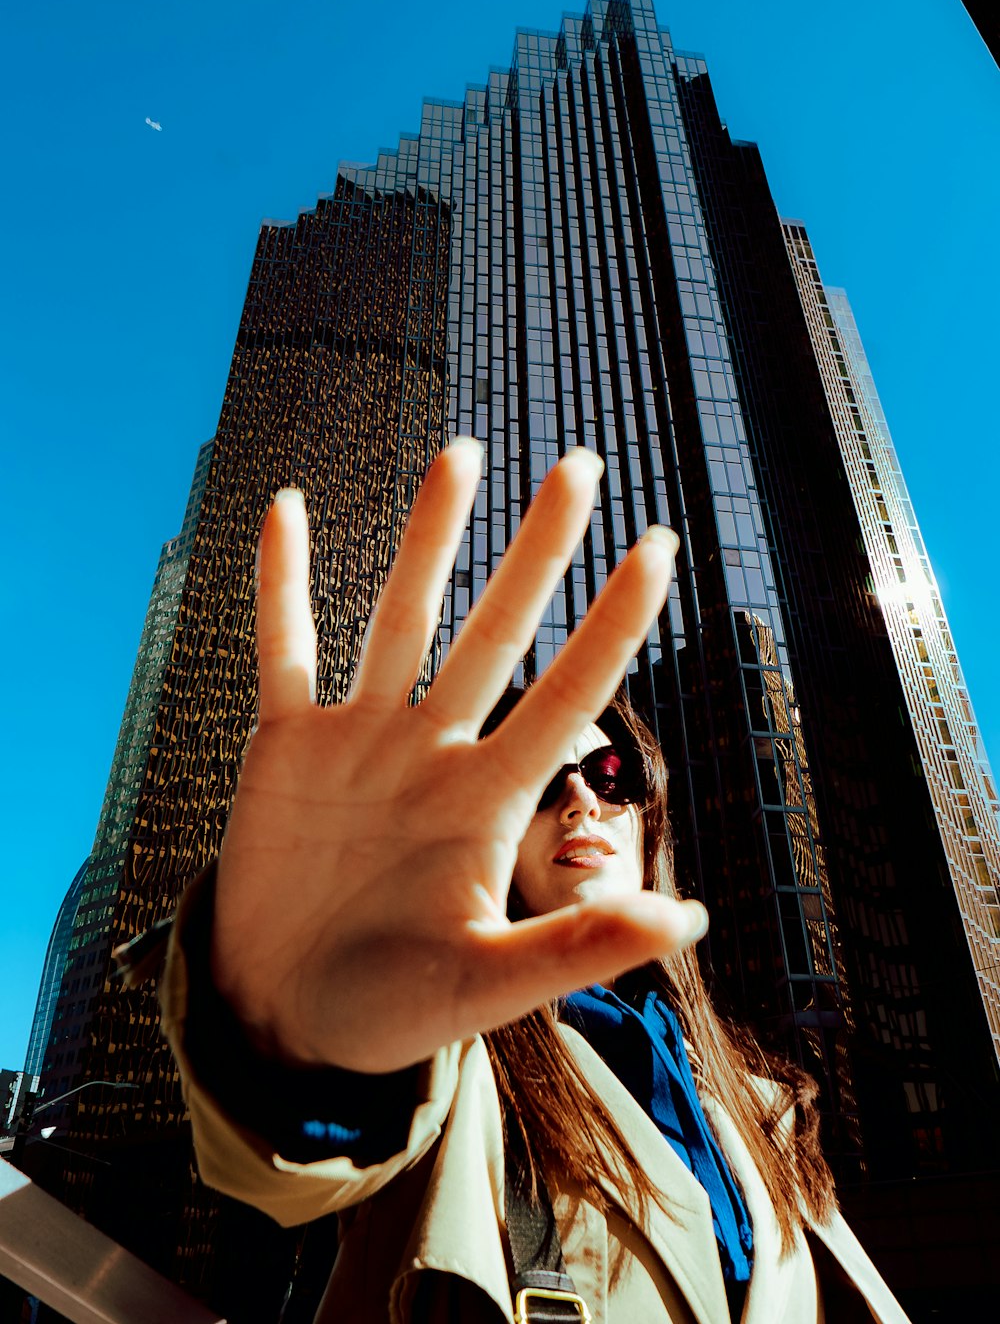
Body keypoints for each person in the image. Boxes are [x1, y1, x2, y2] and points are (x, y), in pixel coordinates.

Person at [160, 441, 910, 1322]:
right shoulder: (458, 1063)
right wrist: (291, 1042)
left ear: (649, 823)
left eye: (612, 777)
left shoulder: (764, 1106)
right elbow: (297, 1160)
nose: (582, 801)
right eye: (540, 788)